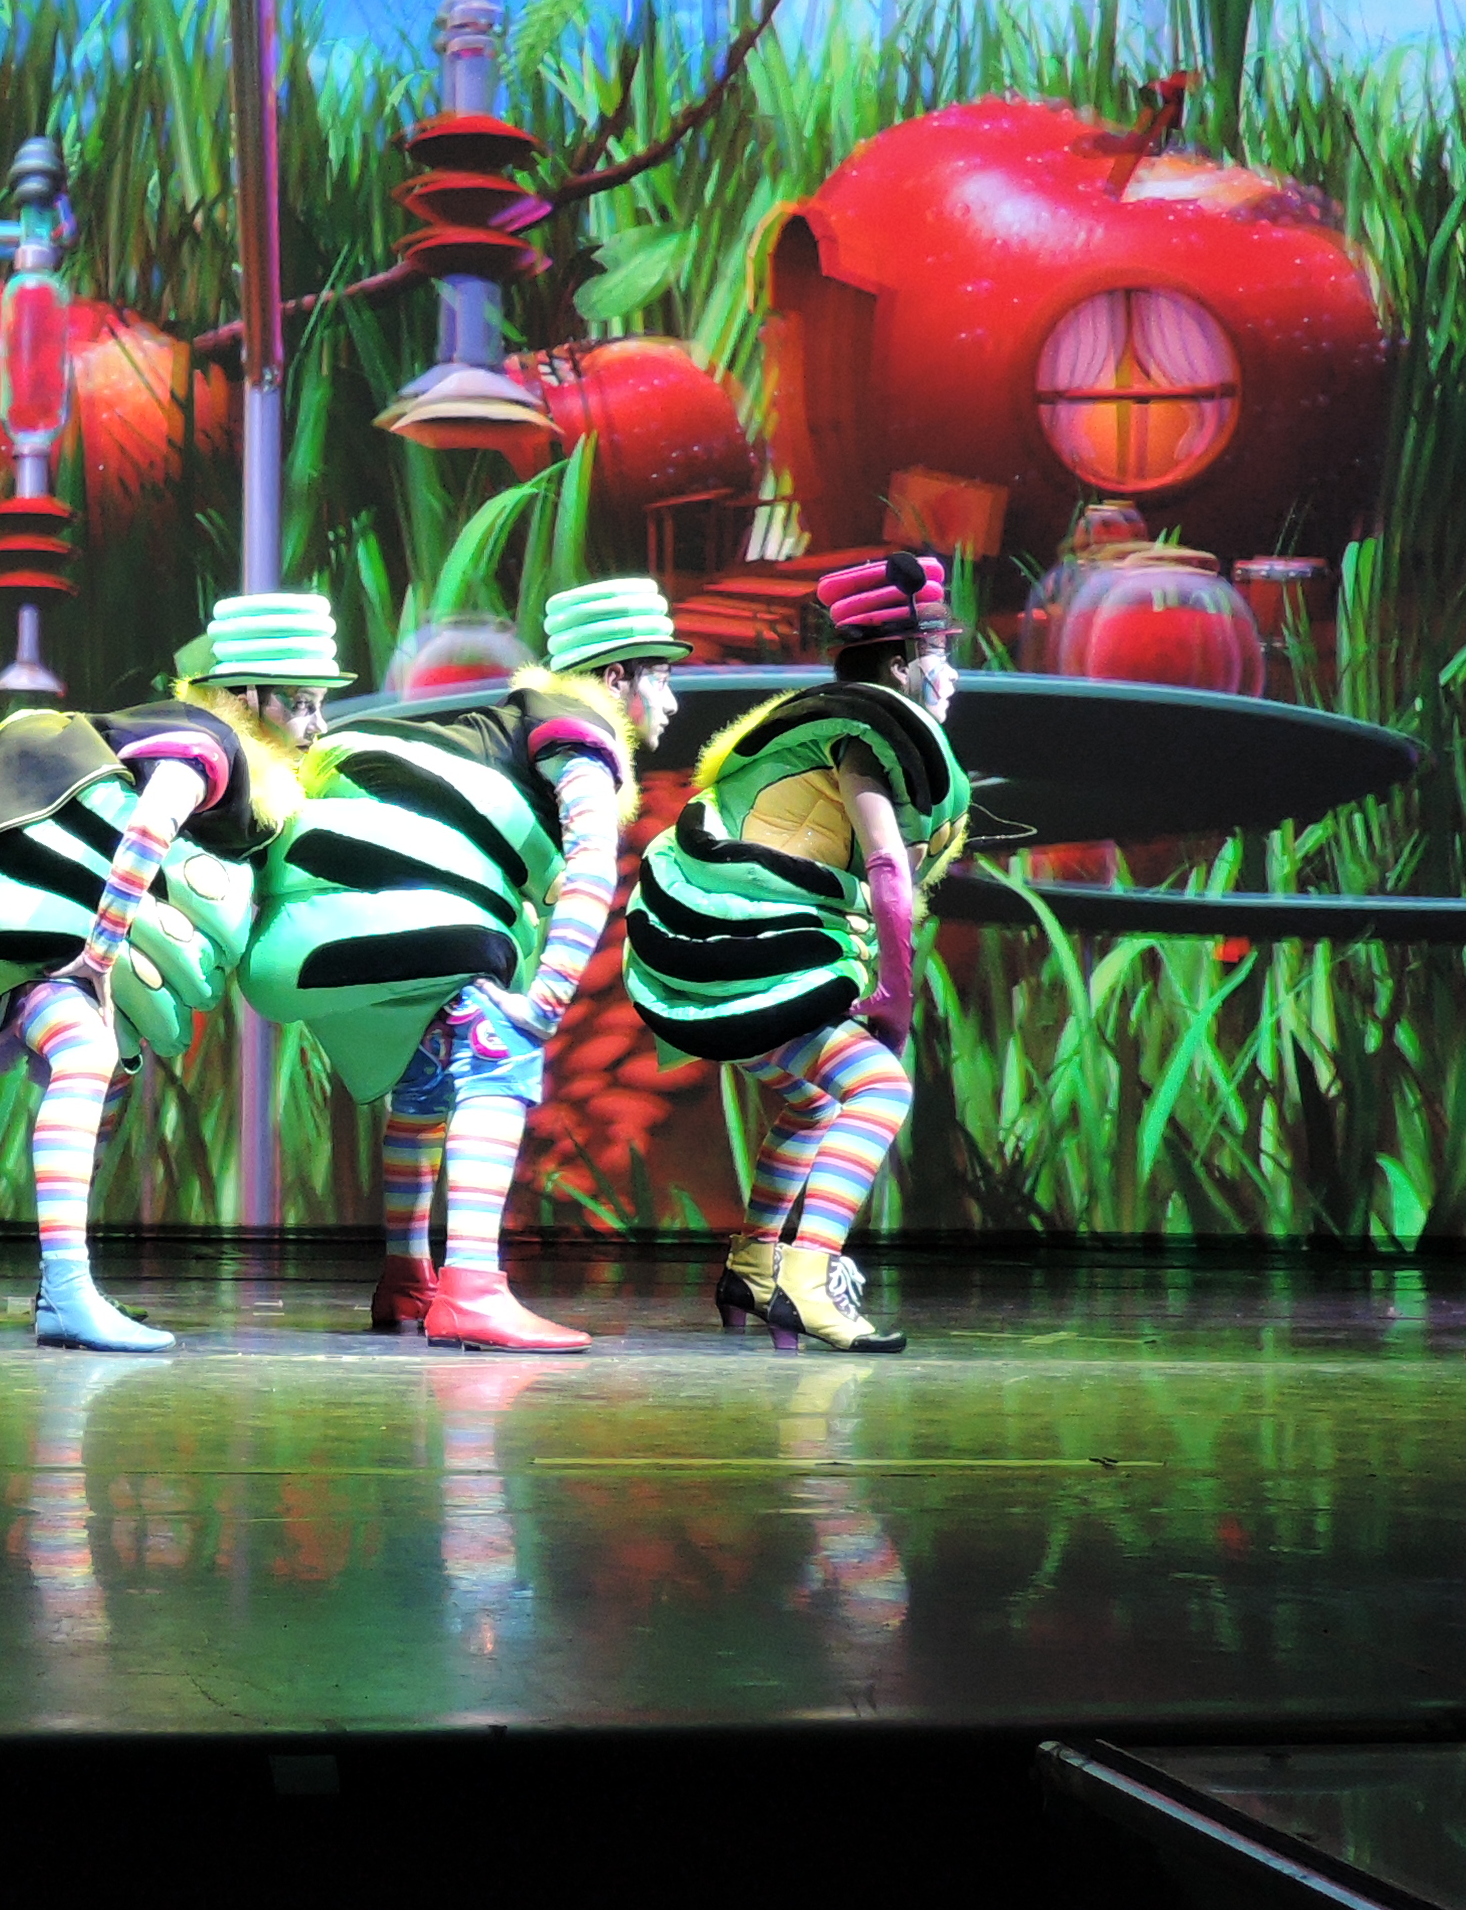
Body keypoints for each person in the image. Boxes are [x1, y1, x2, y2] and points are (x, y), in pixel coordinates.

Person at [0, 591, 337, 1351]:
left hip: (31, 930)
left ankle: (62, 1283)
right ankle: (66, 1290)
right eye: (303, 704)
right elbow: (148, 829)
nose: (316, 726)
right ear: (247, 697)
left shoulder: (205, 747)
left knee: (104, 1076)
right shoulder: (207, 745)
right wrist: (101, 954)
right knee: (86, 1051)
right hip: (33, 934)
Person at [245, 577, 686, 1352]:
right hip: (422, 904)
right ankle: (472, 1288)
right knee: (500, 1046)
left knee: (424, 1083)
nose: (673, 702)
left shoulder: (512, 724)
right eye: (662, 677)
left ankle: (407, 1276)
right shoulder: (580, 736)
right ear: (616, 677)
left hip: (359, 911)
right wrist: (546, 1001)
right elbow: (590, 870)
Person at [621, 556, 969, 1351]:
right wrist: (894, 997)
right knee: (879, 1087)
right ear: (898, 663)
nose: (950, 675)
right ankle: (808, 1281)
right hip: (755, 961)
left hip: (720, 961)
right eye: (937, 653)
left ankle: (752, 1266)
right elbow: (886, 869)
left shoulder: (823, 733)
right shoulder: (862, 737)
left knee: (813, 1102)